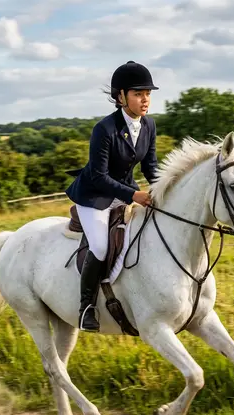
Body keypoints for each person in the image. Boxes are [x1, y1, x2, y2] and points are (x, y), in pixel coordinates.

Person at [65, 60, 160, 332]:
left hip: (125, 191)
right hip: (94, 197)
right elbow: (98, 176)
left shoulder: (149, 125)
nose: (145, 100)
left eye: (148, 94)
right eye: (138, 94)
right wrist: (134, 195)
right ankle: (86, 308)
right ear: (121, 96)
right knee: (100, 247)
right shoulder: (104, 129)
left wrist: (162, 190)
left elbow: (150, 166)